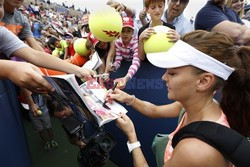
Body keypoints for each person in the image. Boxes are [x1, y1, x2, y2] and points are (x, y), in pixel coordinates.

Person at [106, 30, 250, 166]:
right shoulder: (197, 106)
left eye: (173, 73)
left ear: (203, 81)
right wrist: (128, 98)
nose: (163, 77)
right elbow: (155, 110)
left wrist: (132, 137)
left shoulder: (193, 151)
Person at [105, 16, 140, 89]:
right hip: (127, 66)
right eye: (123, 31)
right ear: (119, 32)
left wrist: (126, 77)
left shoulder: (136, 42)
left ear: (132, 32)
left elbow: (136, 61)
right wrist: (113, 67)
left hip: (136, 69)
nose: (125, 34)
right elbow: (118, 59)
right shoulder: (117, 43)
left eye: (128, 31)